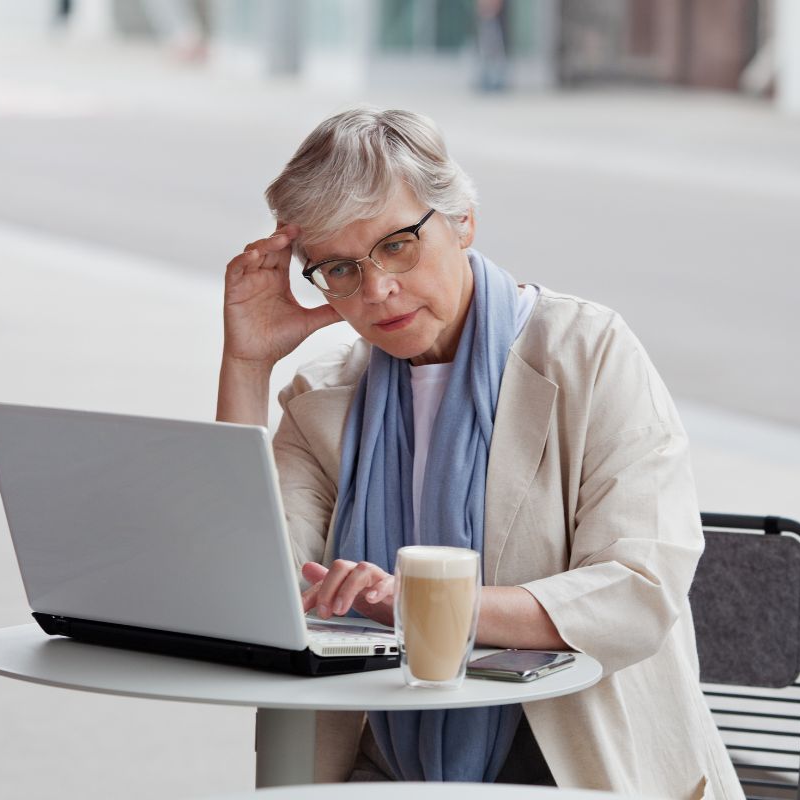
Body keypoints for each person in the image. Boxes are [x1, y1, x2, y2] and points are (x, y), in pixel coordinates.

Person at [216, 107, 743, 799]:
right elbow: (243, 592)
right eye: (340, 268)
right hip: (377, 763)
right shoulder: (324, 398)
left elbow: (636, 591)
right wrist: (247, 364)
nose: (376, 290)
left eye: (397, 246)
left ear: (462, 221)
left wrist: (420, 605)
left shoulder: (588, 353)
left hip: (570, 762)